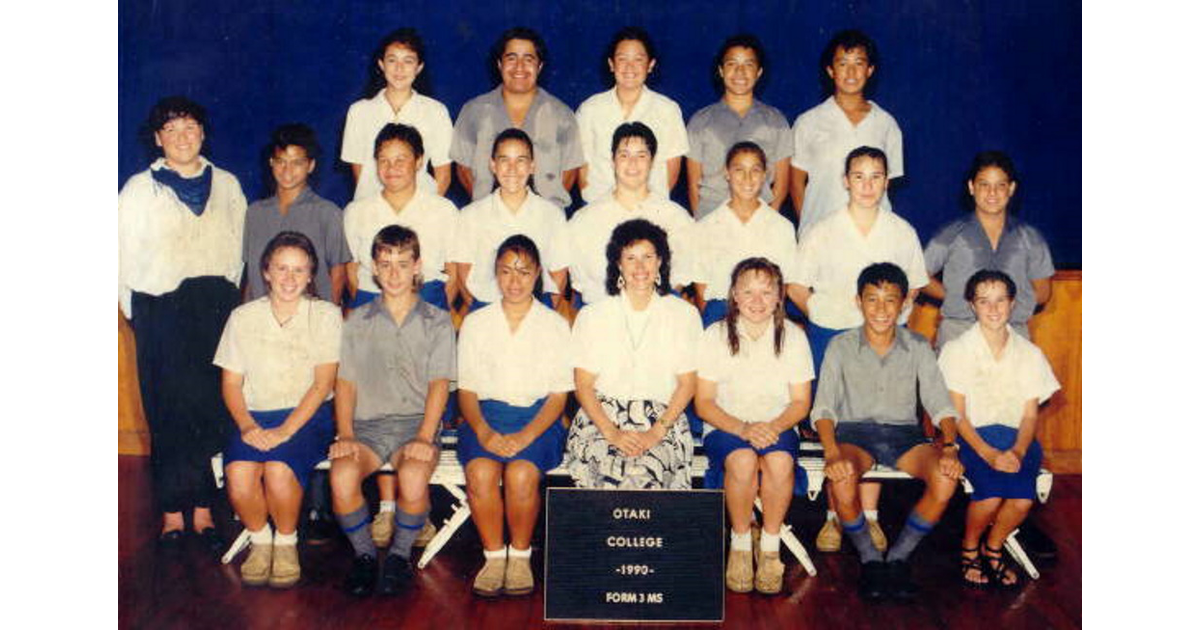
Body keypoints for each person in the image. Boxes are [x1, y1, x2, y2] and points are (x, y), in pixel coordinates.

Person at [118, 96, 246, 553]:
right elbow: (120, 255)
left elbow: (238, 252)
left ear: (203, 133)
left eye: (190, 127)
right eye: (171, 130)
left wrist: (225, 301)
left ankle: (204, 510)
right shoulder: (139, 189)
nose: (182, 137)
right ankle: (172, 513)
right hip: (161, 310)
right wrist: (138, 314)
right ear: (158, 139)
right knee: (167, 411)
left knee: (208, 408)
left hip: (213, 306)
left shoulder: (227, 184)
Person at [793, 147, 926, 554]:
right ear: (845, 180)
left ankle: (869, 515)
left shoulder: (901, 231)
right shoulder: (822, 230)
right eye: (859, 176)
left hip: (883, 340)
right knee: (837, 427)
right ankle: (835, 516)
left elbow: (914, 286)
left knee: (874, 423)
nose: (867, 185)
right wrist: (824, 316)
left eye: (875, 176)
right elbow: (796, 285)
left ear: (887, 181)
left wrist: (887, 321)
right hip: (832, 334)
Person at [811, 262, 962, 601]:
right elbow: (823, 408)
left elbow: (940, 403)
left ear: (904, 303)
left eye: (890, 300)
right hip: (854, 434)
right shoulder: (840, 346)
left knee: (946, 478)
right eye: (872, 299)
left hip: (904, 436)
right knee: (842, 478)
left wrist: (949, 446)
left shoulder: (919, 346)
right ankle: (870, 559)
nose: (881, 310)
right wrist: (832, 452)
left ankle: (898, 558)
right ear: (858, 302)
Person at [329, 225, 455, 597]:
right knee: (341, 476)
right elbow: (345, 383)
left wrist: (425, 437)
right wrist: (345, 434)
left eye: (403, 264)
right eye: (385, 264)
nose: (394, 274)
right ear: (373, 268)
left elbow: (439, 385)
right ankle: (365, 555)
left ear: (418, 266)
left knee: (413, 477)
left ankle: (399, 557)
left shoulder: (437, 320)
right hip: (366, 427)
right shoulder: (357, 320)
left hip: (416, 425)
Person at [214, 232, 342, 588]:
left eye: (299, 270)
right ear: (266, 271)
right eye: (281, 268)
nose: (289, 278)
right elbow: (231, 384)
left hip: (307, 415)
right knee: (239, 475)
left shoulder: (326, 315)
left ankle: (286, 543)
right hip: (253, 415)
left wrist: (286, 431)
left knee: (278, 470)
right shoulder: (242, 317)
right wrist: (247, 426)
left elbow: (322, 385)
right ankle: (260, 540)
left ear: (311, 275)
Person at [457, 235, 573, 597]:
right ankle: (493, 557)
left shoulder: (554, 325)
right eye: (506, 271)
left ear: (537, 274)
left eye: (524, 271)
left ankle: (520, 556)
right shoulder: (476, 322)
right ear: (495, 274)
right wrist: (483, 431)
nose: (514, 280)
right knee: (480, 472)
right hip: (485, 416)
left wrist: (526, 436)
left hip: (539, 420)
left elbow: (559, 395)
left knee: (521, 474)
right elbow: (467, 391)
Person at [695, 258, 813, 595]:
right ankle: (741, 545)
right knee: (743, 460)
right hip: (726, 426)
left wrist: (772, 427)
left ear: (780, 296)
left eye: (766, 292)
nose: (757, 301)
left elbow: (800, 402)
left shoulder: (793, 336)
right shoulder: (714, 335)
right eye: (748, 292)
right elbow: (704, 403)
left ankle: (771, 548)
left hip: (778, 424)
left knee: (779, 461)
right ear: (734, 295)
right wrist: (744, 429)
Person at [937, 270, 1059, 588]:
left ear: (1012, 303)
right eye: (983, 301)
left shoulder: (1030, 354)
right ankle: (969, 547)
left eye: (1000, 300)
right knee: (990, 496)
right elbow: (957, 415)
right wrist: (989, 454)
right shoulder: (957, 350)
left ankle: (993, 546)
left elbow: (1030, 417)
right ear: (972, 305)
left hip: (1018, 438)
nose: (993, 309)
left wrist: (1018, 450)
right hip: (973, 438)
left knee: (1022, 500)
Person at [564, 219, 702, 489]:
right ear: (618, 263)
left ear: (660, 261)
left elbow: (687, 384)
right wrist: (611, 433)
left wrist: (655, 433)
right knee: (613, 471)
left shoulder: (684, 315)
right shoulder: (593, 315)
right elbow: (583, 384)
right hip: (601, 419)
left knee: (644, 472)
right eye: (631, 258)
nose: (640, 267)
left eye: (647, 257)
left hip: (663, 419)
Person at [924, 151, 1055, 349]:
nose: (992, 193)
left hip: (1012, 334)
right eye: (984, 184)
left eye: (1000, 185)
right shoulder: (950, 234)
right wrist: (957, 297)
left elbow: (1043, 292)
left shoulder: (1030, 237)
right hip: (959, 332)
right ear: (971, 187)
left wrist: (1004, 305)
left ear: (1011, 188)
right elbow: (920, 274)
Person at [452, 27, 583, 210]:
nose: (519, 67)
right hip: (488, 216)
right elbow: (463, 167)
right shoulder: (473, 111)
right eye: (511, 58)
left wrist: (545, 211)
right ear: (500, 64)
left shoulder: (562, 114)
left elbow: (570, 170)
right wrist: (488, 207)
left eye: (528, 59)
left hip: (545, 218)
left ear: (539, 66)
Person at [567, 122, 695, 307]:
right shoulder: (584, 220)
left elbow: (679, 279)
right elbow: (581, 284)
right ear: (613, 161)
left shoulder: (676, 218)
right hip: (603, 313)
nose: (632, 163)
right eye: (624, 155)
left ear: (652, 162)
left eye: (641, 155)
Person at [790, 29, 903, 236]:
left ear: (870, 70)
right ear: (830, 70)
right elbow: (796, 182)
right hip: (822, 237)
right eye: (842, 64)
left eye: (858, 63)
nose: (851, 72)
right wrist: (809, 229)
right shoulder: (808, 122)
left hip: (873, 236)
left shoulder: (886, 123)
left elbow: (889, 184)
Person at [343, 123, 459, 310]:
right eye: (384, 160)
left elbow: (453, 273)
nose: (391, 168)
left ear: (419, 161)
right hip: (372, 304)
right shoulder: (356, 211)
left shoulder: (443, 210)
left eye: (400, 160)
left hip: (428, 302)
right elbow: (351, 271)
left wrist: (435, 318)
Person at [452, 128, 570, 311]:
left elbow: (559, 274)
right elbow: (463, 275)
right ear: (493, 165)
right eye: (504, 160)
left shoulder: (552, 215)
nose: (512, 169)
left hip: (537, 308)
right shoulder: (470, 215)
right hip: (485, 309)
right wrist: (485, 317)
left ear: (532, 166)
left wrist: (541, 315)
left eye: (520, 160)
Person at [243, 123, 351, 305]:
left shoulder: (327, 213)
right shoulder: (255, 213)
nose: (287, 170)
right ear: (271, 162)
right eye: (281, 161)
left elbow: (338, 273)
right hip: (262, 316)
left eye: (297, 163)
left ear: (311, 165)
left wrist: (327, 315)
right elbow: (251, 276)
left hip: (309, 316)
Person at [577, 26, 688, 203]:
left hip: (651, 207)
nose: (630, 67)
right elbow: (583, 169)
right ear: (611, 64)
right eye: (622, 59)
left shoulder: (668, 110)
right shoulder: (590, 109)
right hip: (601, 207)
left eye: (638, 59)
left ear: (650, 65)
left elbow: (671, 171)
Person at [686, 33, 791, 219]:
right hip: (712, 220)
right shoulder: (700, 122)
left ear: (759, 72)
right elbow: (694, 186)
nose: (740, 72)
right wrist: (703, 226)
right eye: (732, 64)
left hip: (760, 221)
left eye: (748, 65)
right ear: (721, 70)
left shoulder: (776, 121)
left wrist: (767, 222)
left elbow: (782, 185)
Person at [693, 142, 798, 327]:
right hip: (720, 316)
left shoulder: (782, 227)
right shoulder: (706, 227)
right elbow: (701, 289)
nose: (747, 178)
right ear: (727, 173)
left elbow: (784, 285)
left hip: (765, 314)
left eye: (755, 170)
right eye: (739, 170)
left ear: (765, 174)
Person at [343, 27, 454, 200]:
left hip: (421, 207)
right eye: (392, 60)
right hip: (372, 207)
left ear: (419, 67)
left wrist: (425, 209)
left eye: (408, 61)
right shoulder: (359, 112)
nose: (399, 68)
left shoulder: (436, 111)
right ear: (381, 64)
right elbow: (359, 173)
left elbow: (444, 174)